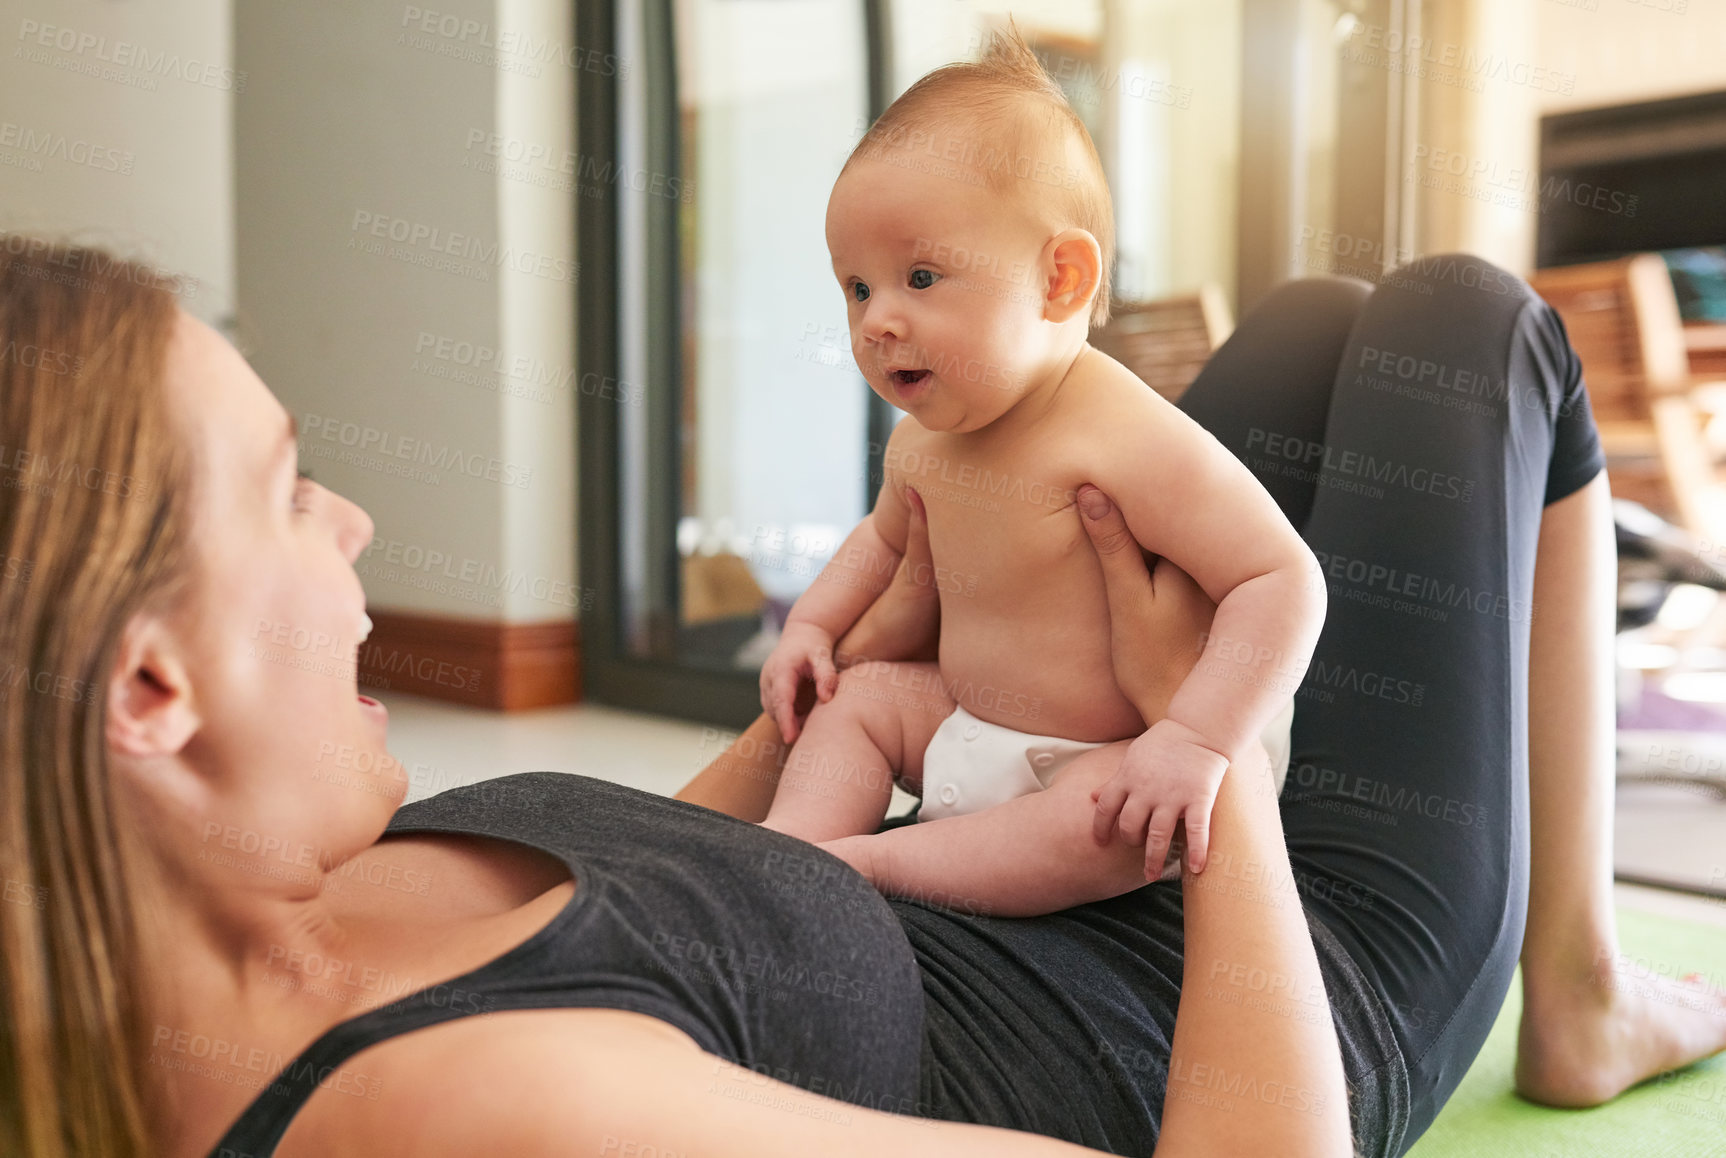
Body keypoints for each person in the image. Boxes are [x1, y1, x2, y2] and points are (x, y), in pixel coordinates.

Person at [5, 236, 1725, 1158]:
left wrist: (831, 676)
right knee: (1466, 320)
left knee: (1306, 325)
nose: (354, 521)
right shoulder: (474, 1116)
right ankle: (1571, 989)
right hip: (1241, 979)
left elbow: (646, 916)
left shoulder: (262, 906)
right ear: (149, 685)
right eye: (292, 487)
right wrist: (1210, 757)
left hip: (1031, 832)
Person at [757, 28, 1307, 895]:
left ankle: (870, 864)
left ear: (1060, 280)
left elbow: (1281, 578)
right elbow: (882, 543)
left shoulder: (1125, 431)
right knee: (856, 703)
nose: (875, 321)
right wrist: (812, 628)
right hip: (965, 716)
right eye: (857, 287)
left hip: (1109, 753)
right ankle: (790, 848)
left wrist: (1195, 738)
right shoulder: (921, 440)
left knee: (1108, 826)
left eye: (921, 277)